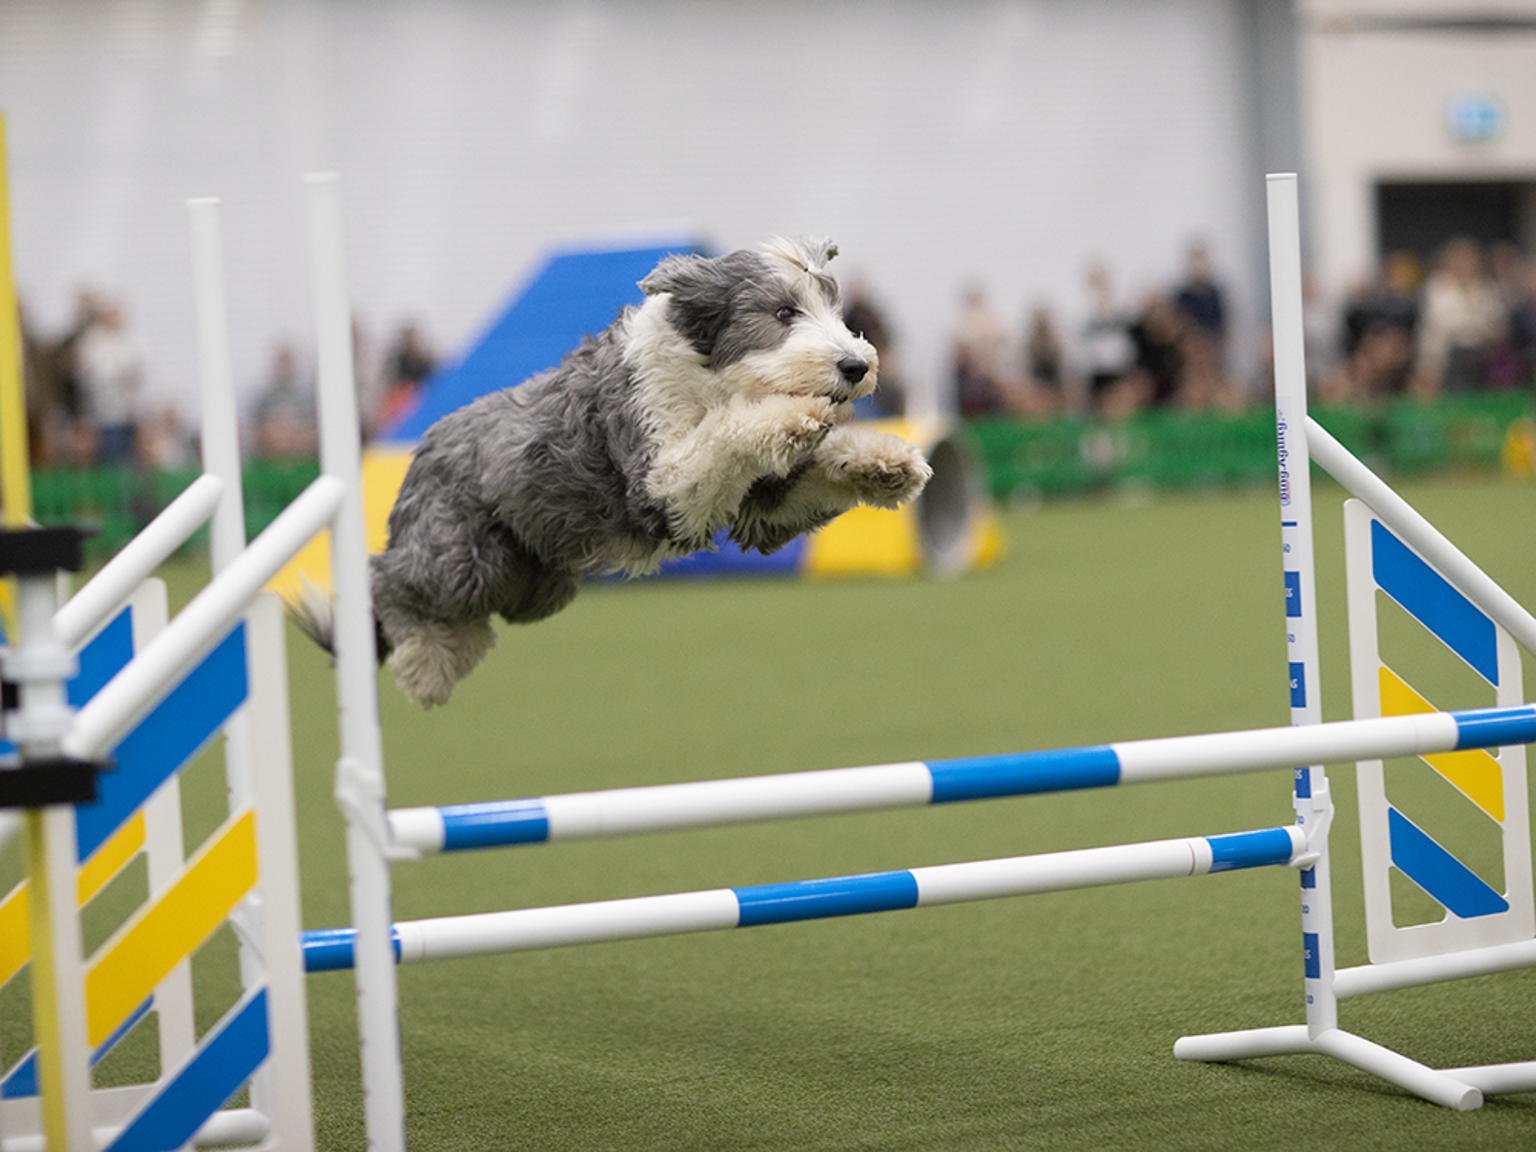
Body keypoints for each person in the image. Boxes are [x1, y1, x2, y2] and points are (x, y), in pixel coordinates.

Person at [1415, 237, 1505, 394]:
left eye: (1469, 259)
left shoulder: (1487, 288)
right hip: (1450, 357)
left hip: (1482, 356)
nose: (1464, 264)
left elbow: (1496, 324)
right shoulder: (1437, 288)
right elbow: (1435, 328)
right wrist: (1428, 367)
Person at [72, 296, 144, 465]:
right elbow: (91, 375)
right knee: (111, 457)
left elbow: (138, 371)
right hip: (103, 414)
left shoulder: (131, 341)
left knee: (133, 459)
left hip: (130, 411)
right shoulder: (93, 342)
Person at [251, 343, 319, 459]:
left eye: (287, 363)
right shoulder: (264, 398)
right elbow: (257, 427)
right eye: (281, 362)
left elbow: (313, 428)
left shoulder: (306, 397)